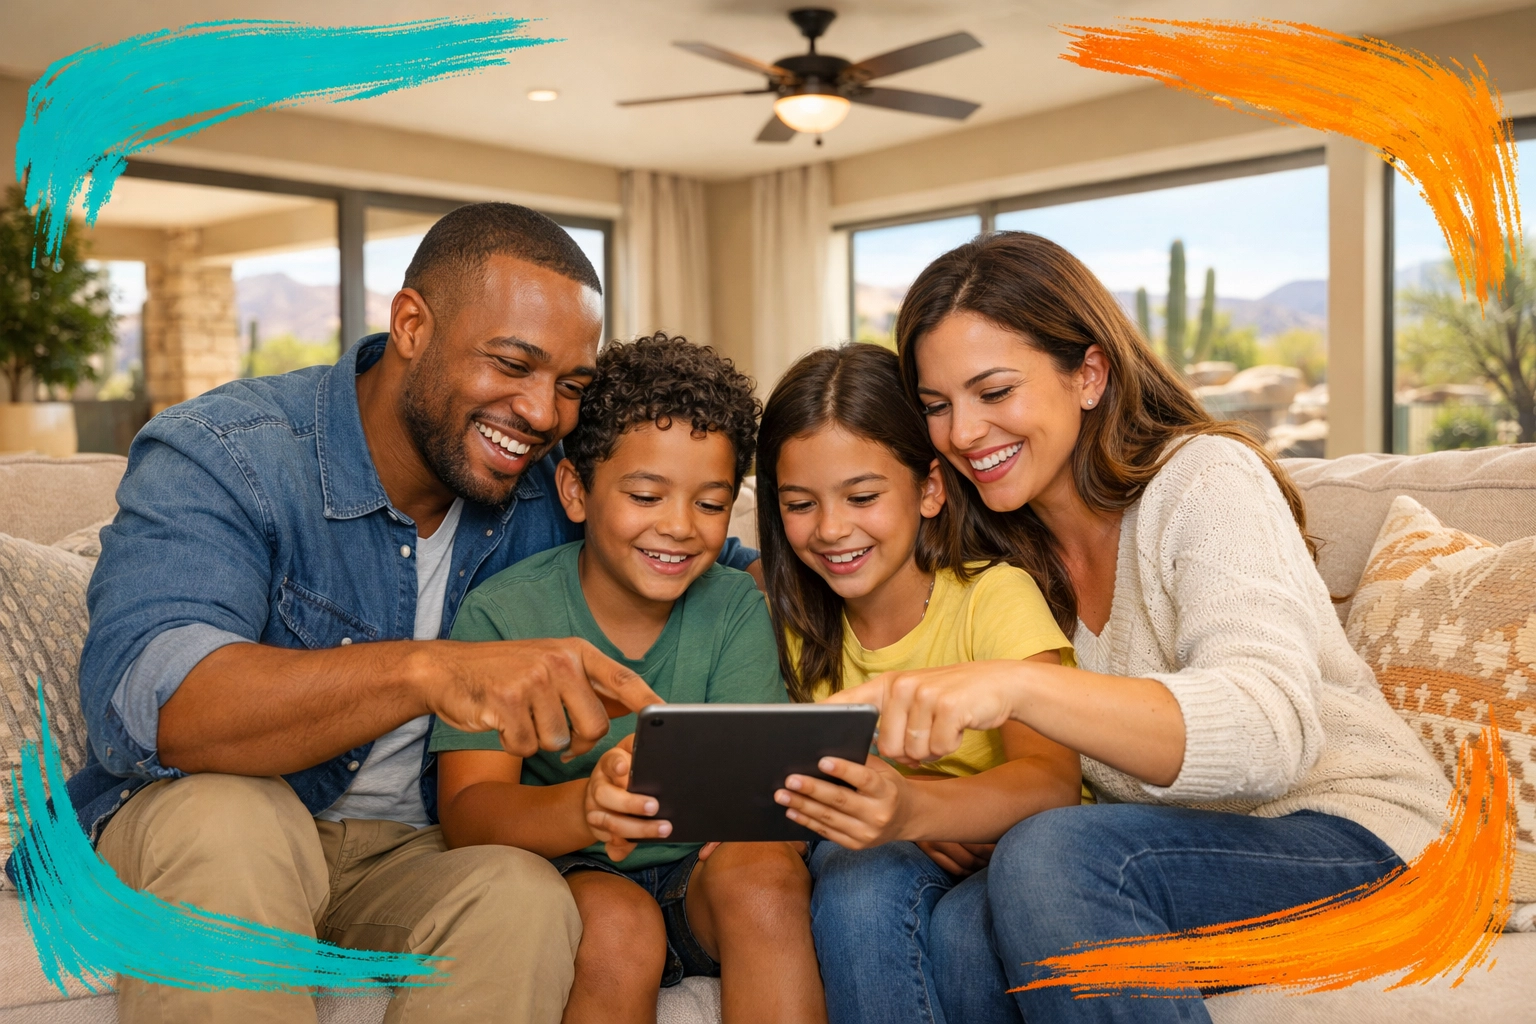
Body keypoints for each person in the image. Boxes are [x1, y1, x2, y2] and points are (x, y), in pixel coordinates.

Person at [56, 204, 758, 1023]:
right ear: (412, 325)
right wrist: (430, 671)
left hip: (418, 849)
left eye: (570, 385)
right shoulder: (228, 452)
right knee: (228, 819)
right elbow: (161, 703)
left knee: (523, 893)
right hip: (221, 815)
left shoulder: (551, 481)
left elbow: (716, 564)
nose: (541, 414)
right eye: (512, 364)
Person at [822, 231, 1451, 1024]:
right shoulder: (999, 551)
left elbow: (1267, 732)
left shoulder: (1204, 480)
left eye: (994, 391)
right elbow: (805, 544)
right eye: (938, 406)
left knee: (1050, 856)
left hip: (1365, 842)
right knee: (955, 932)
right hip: (1180, 851)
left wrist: (1020, 684)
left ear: (1088, 374)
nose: (965, 433)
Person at [431, 333, 825, 1024]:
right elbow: (468, 815)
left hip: (700, 873)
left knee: (766, 877)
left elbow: (760, 794)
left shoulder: (734, 606)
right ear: (576, 491)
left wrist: (771, 826)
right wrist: (587, 806)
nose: (679, 527)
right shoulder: (504, 614)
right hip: (578, 867)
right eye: (646, 495)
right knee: (620, 928)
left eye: (710, 504)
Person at [757, 344, 1082, 1024]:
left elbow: (1051, 779)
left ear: (930, 488)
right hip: (874, 851)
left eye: (863, 496)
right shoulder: (788, 617)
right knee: (856, 877)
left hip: (1007, 853)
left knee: (952, 931)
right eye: (799, 504)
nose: (832, 529)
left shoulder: (992, 596)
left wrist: (918, 804)